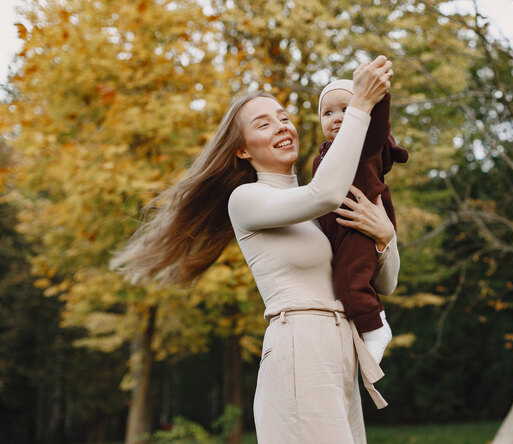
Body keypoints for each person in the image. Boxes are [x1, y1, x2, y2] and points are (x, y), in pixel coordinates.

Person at [110, 56, 399, 444]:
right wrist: (360, 105)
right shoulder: (248, 199)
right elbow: (325, 192)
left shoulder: (314, 204)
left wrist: (385, 238)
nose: (281, 126)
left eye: (283, 117)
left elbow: (388, 282)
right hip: (300, 345)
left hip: (339, 349)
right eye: (264, 124)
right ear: (243, 151)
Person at [313, 79, 408, 364]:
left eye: (346, 109)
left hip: (359, 227)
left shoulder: (363, 147)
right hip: (341, 229)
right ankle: (369, 326)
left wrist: (377, 94)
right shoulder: (325, 155)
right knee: (347, 279)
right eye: (327, 113)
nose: (337, 117)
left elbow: (378, 128)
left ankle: (376, 327)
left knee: (350, 281)